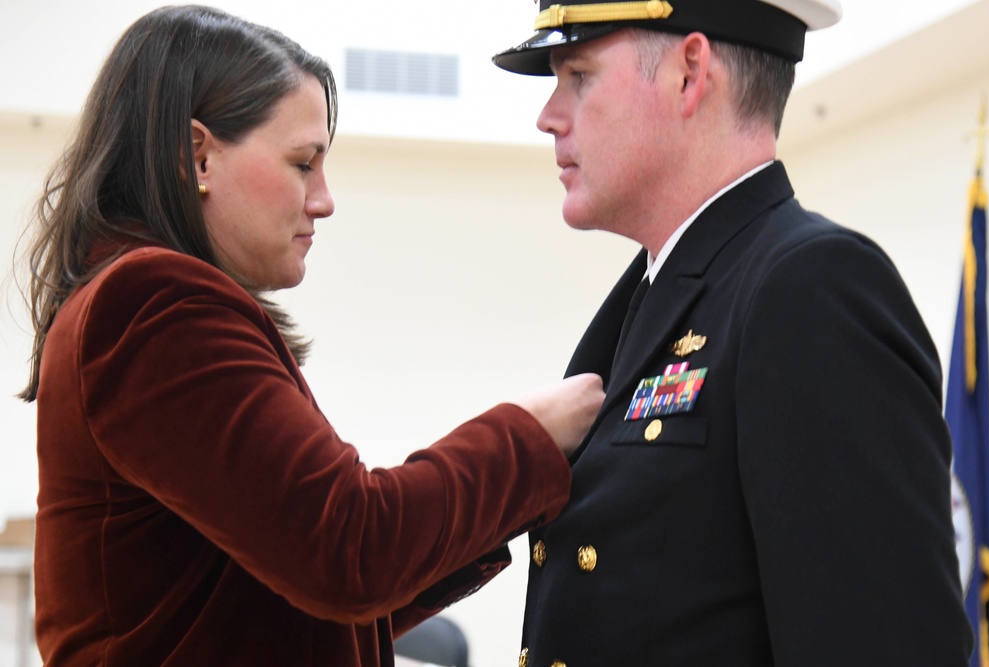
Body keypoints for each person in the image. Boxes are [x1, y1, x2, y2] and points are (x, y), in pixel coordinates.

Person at [17, 6, 605, 666]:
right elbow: (349, 551)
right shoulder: (151, 305)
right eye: (304, 163)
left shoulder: (135, 302)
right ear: (198, 154)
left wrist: (501, 499)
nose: (324, 199)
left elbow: (291, 595)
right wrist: (528, 434)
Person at [493, 0, 974, 664]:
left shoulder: (810, 288)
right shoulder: (661, 294)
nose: (548, 114)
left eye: (577, 75)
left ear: (690, 73)